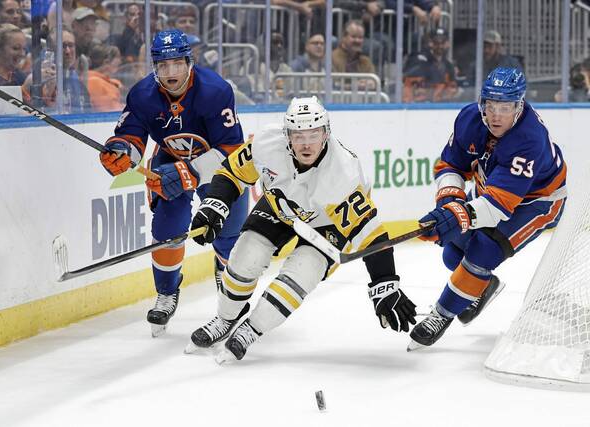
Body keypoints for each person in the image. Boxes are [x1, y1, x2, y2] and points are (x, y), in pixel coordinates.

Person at [186, 96, 418, 363]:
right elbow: (232, 172)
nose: (306, 143)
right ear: (287, 136)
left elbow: (370, 235)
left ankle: (251, 331)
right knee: (244, 257)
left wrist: (385, 284)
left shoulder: (342, 175)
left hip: (326, 225)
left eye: (314, 134)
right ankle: (225, 319)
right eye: (298, 135)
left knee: (300, 275)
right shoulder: (266, 143)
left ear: (326, 134)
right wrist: (215, 206)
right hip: (280, 205)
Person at [98, 29, 248, 337]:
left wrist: (191, 171)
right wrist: (122, 151)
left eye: (177, 64)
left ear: (189, 62)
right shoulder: (142, 95)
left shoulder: (215, 91)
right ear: (154, 66)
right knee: (168, 228)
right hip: (168, 159)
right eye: (163, 66)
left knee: (227, 232)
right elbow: (132, 136)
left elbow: (232, 149)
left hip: (218, 164)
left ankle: (226, 281)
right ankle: (167, 292)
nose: (170, 73)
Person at [408, 68, 567, 350]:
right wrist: (448, 205)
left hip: (537, 200)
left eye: (505, 108)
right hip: (490, 186)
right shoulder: (469, 118)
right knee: (454, 251)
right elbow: (450, 166)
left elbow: (498, 206)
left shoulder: (530, 138)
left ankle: (440, 315)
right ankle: (479, 287)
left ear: (518, 107)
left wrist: (455, 216)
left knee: (484, 248)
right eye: (491, 106)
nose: (496, 115)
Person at [403, 27, 460, 102]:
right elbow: (410, 84)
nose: (440, 46)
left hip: (439, 106)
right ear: (430, 43)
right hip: (418, 105)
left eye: (443, 42)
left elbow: (452, 89)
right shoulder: (418, 59)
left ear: (447, 43)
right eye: (436, 42)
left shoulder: (448, 65)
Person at [86, 43, 123, 112]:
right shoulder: (94, 82)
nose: (120, 61)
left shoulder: (109, 81)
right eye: (118, 57)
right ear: (106, 62)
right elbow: (108, 110)